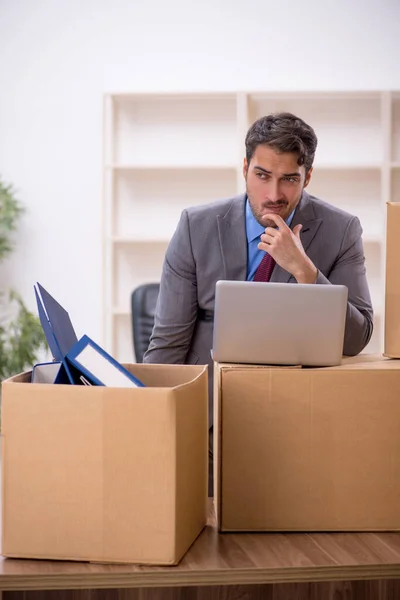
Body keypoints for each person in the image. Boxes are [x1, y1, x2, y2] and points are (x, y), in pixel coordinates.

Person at [143, 112, 374, 495]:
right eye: (262, 175)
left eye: (290, 179)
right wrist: (153, 425)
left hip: (294, 413)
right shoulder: (196, 226)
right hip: (208, 416)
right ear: (245, 168)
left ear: (308, 177)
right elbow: (167, 344)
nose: (273, 195)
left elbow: (357, 337)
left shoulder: (342, 230)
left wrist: (305, 270)